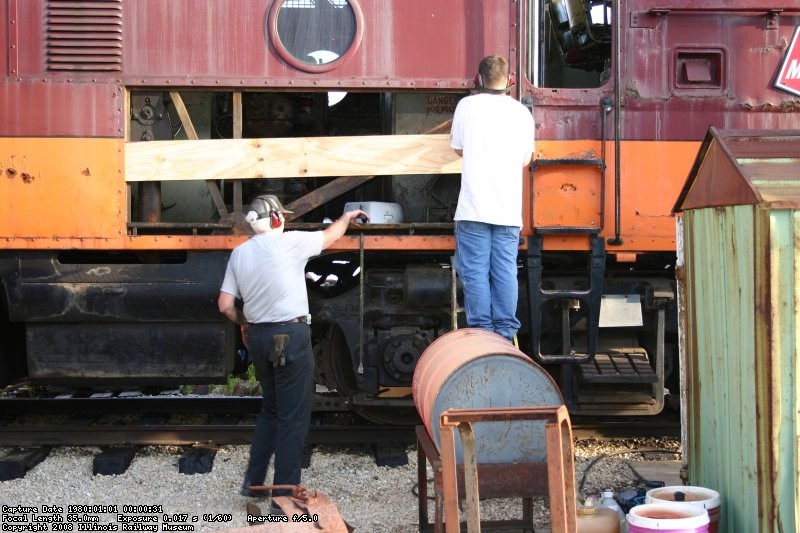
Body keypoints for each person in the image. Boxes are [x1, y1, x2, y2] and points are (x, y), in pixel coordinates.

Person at [218, 194, 368, 509]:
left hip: (258, 337)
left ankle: (255, 484)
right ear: (275, 220)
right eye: (282, 216)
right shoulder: (291, 242)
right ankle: (283, 497)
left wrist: (244, 323)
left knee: (270, 411)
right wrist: (347, 217)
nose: (284, 220)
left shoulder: (239, 253)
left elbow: (225, 305)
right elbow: (331, 236)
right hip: (289, 336)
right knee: (292, 419)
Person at [450, 55, 535, 342]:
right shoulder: (521, 113)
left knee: (475, 273)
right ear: (510, 79)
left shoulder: (466, 106)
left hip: (473, 207)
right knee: (505, 272)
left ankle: (482, 333)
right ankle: (506, 333)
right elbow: (525, 160)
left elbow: (458, 149)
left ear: (479, 79)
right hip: (508, 210)